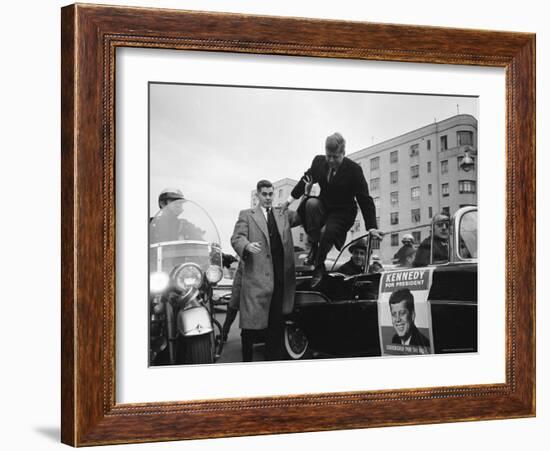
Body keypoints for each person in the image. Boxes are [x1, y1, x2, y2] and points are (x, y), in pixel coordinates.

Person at [281, 132, 383, 288]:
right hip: (325, 205)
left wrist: (372, 227)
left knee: (327, 233)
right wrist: (287, 203)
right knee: (311, 204)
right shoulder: (318, 162)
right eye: (328, 156)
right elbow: (304, 181)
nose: (331, 160)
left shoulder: (354, 170)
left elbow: (365, 199)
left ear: (343, 153)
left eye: (335, 157)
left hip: (344, 211)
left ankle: (319, 267)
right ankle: (314, 246)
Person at [231, 180, 299, 361]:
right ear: (258, 196)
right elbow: (237, 237)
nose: (268, 198)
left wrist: (306, 195)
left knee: (275, 326)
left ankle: (270, 362)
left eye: (271, 194)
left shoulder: (282, 213)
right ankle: (247, 362)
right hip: (255, 279)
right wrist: (246, 245)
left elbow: (302, 216)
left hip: (279, 280)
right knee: (250, 327)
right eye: (264, 194)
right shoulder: (246, 214)